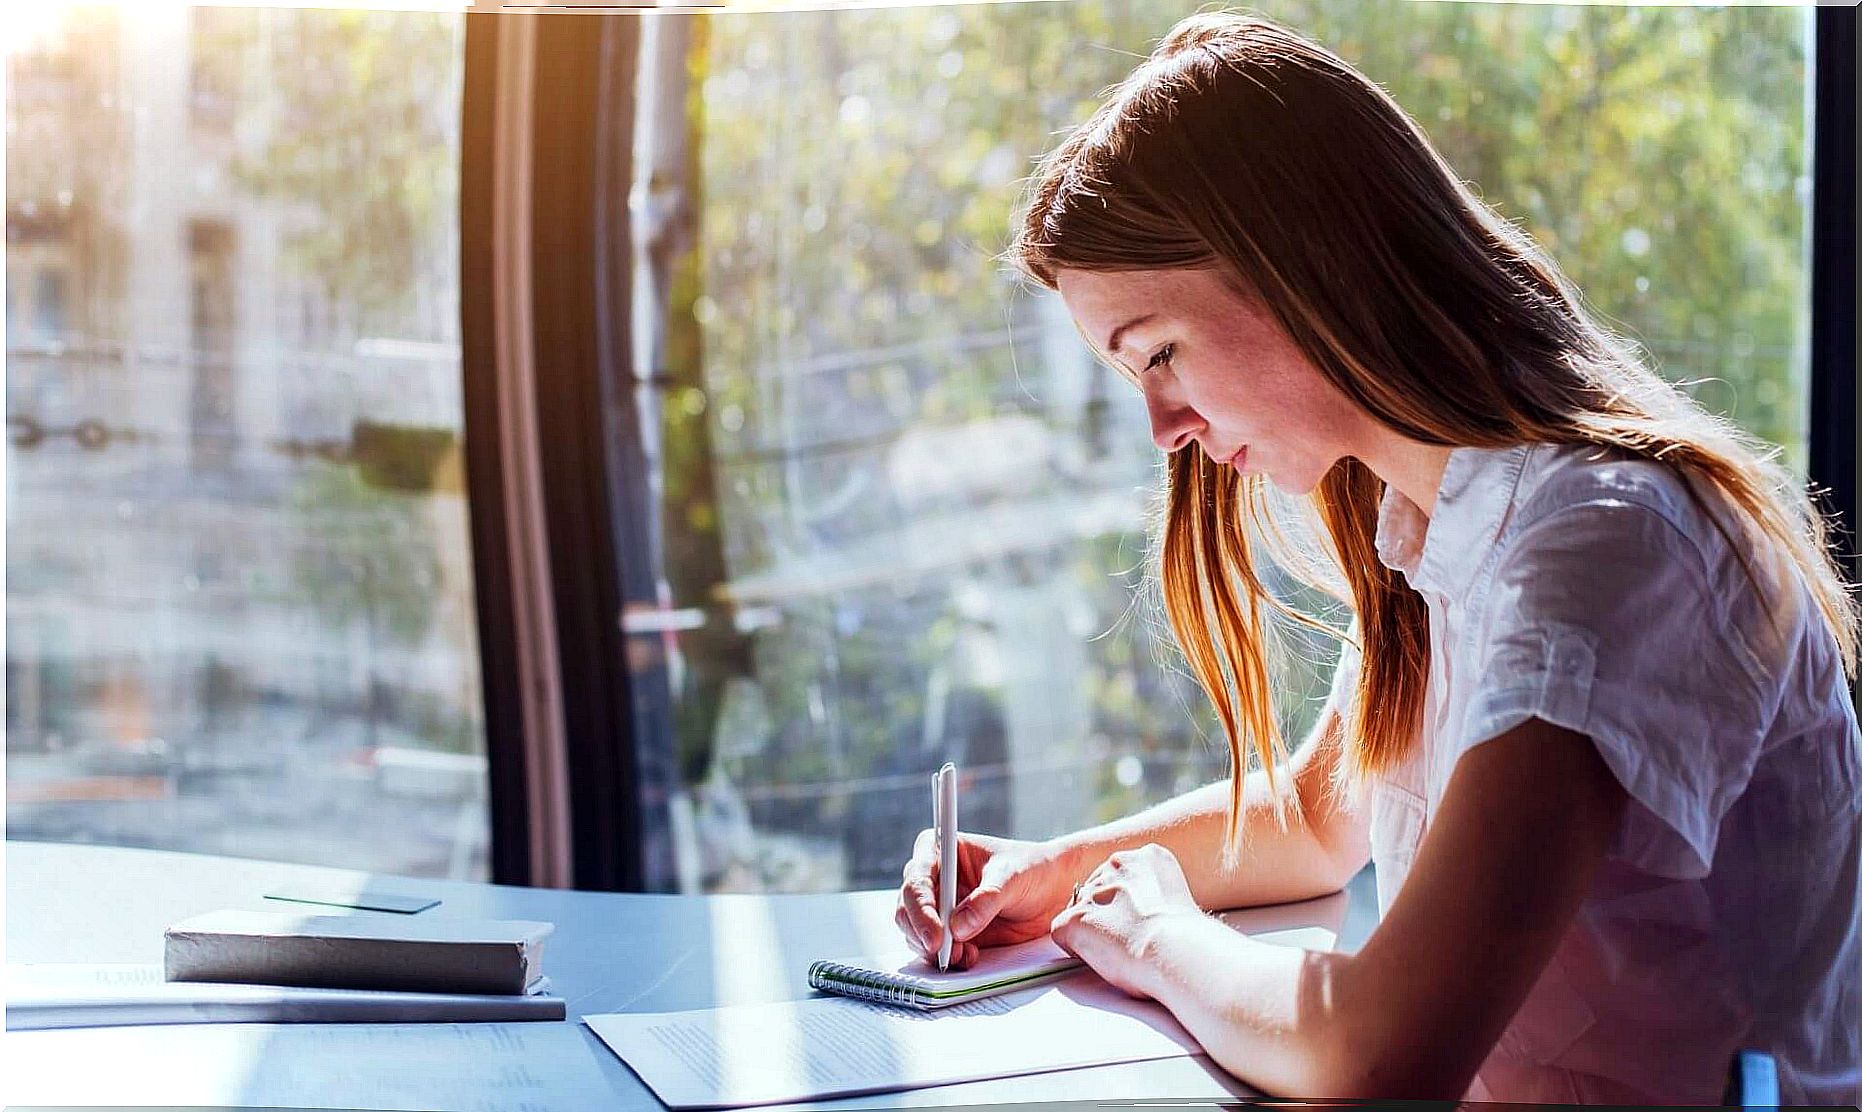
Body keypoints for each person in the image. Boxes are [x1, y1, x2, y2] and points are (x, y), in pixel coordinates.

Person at [893, 11, 1860, 1104]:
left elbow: (1375, 1052)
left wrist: (1158, 933)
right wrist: (1053, 870)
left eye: (1159, 350)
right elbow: (1313, 821)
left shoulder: (1604, 544)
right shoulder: (1432, 524)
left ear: (1307, 264)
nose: (1164, 428)